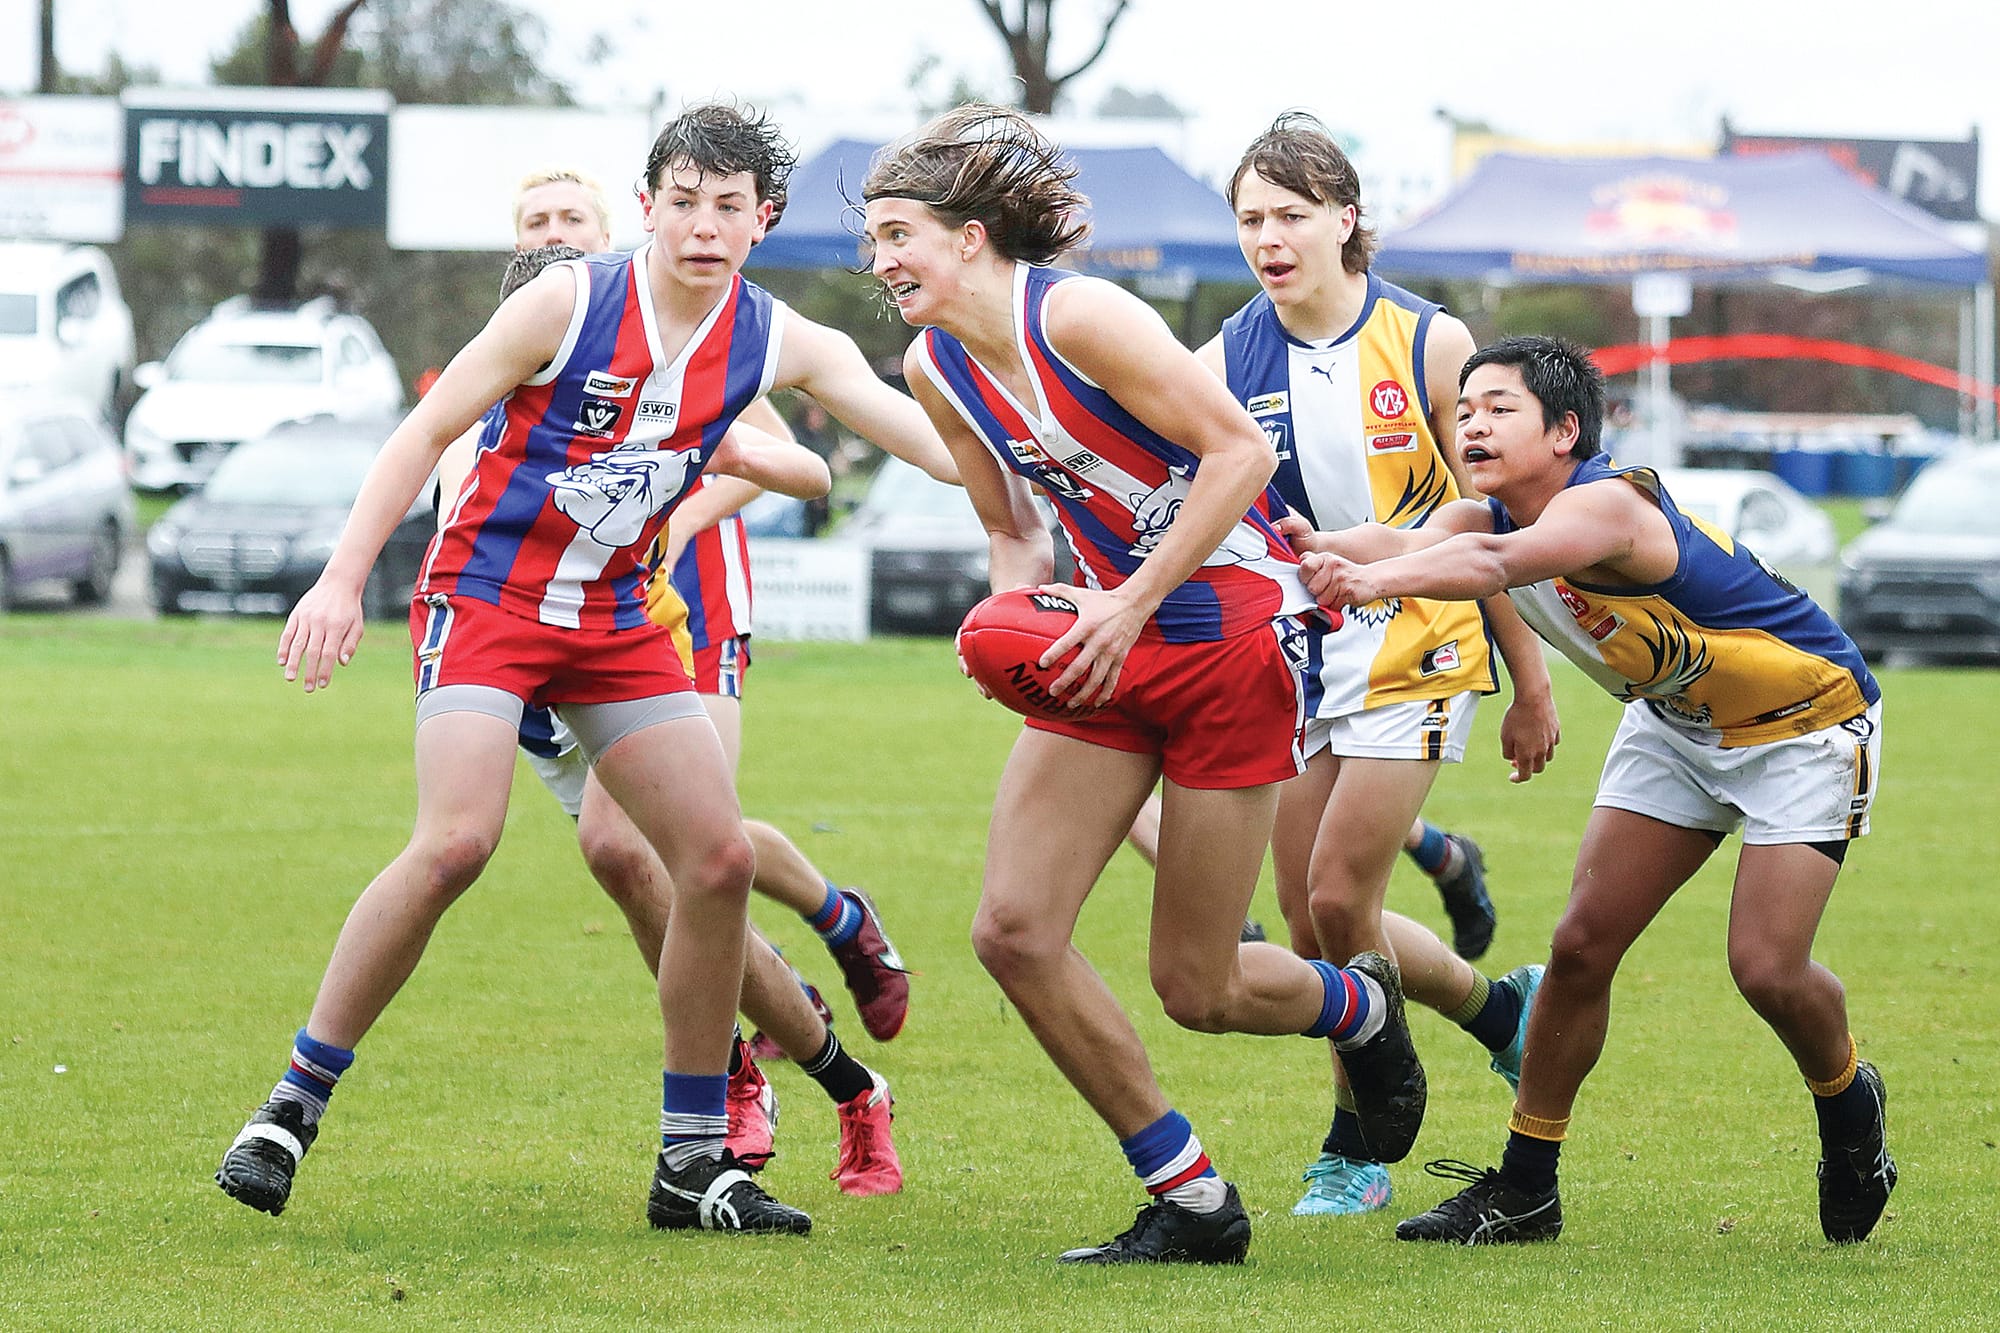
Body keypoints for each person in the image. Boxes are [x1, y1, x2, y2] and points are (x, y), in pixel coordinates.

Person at [217, 102, 959, 1235]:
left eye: (729, 207)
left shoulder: (777, 339)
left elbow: (926, 443)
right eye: (683, 200)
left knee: (711, 859)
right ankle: (291, 1104)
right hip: (489, 600)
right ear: (648, 204)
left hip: (614, 619)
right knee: (457, 839)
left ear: (762, 221)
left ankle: (690, 1160)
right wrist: (337, 578)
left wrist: (1048, 424)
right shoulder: (565, 300)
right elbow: (421, 436)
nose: (702, 226)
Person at [863, 104, 1427, 1265]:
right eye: (874, 240)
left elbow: (1241, 455)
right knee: (1013, 933)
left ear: (970, 237)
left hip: (1229, 633)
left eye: (898, 234)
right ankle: (1192, 1201)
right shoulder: (933, 364)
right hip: (1111, 635)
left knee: (1199, 984)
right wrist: (1017, 631)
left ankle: (1359, 1009)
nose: (882, 263)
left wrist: (1124, 599)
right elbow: (1013, 532)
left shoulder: (1075, 312)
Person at [1295, 334, 1892, 1245]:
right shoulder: (1487, 515)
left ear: (1566, 429)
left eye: (1500, 408)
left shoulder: (1607, 504)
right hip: (1675, 722)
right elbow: (1406, 540)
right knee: (1578, 948)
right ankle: (1527, 1184)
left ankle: (1849, 1105)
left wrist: (1368, 580)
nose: (1473, 424)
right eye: (1465, 411)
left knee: (1766, 968)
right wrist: (1315, 543)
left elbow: (1491, 573)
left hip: (1806, 724)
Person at [438, 235, 902, 1196]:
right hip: (533, 633)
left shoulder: (694, 324)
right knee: (658, 874)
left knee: (676, 849)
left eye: (568, 213)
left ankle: (748, 1060)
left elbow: (783, 457)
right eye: (532, 215)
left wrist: (675, 514)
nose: (547, 228)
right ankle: (836, 1072)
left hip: (662, 615)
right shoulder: (507, 373)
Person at [1214, 113, 1561, 1216]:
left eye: (1290, 215)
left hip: (1419, 634)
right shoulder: (1227, 351)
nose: (1269, 238)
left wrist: (1528, 680)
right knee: (1315, 923)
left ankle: (1355, 1145)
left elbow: (1489, 529)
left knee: (1333, 891)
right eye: (1250, 219)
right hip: (1299, 642)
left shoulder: (1427, 341)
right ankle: (1500, 1013)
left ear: (1344, 219)